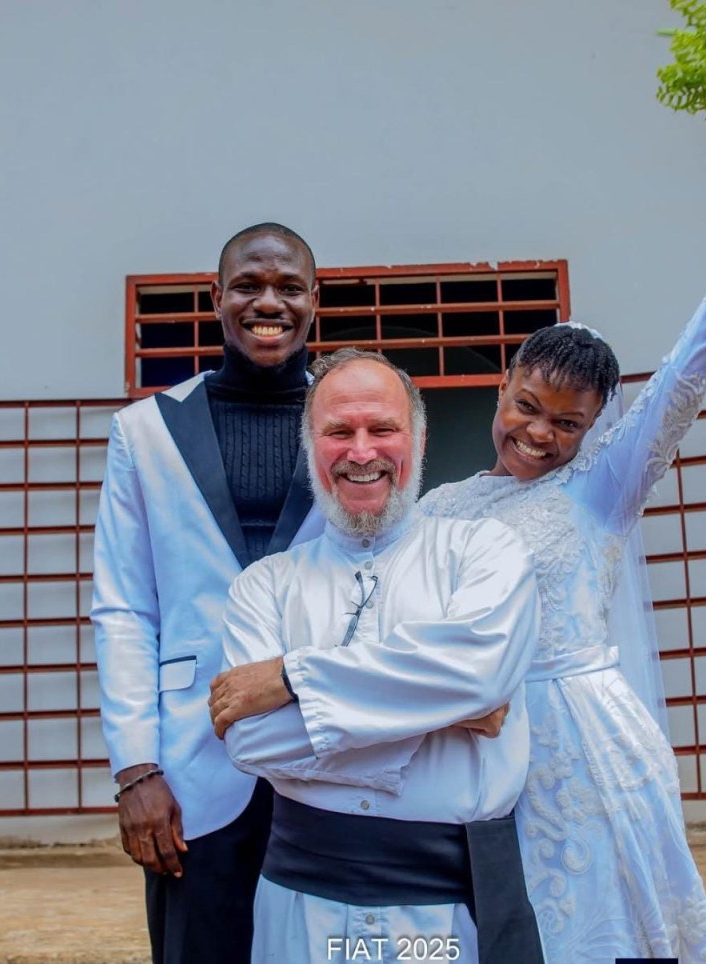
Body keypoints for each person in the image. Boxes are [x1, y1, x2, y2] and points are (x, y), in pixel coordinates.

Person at [419, 150, 706, 962]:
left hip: (586, 753)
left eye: (567, 424)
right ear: (502, 385)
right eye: (526, 406)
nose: (538, 434)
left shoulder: (600, 490)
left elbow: (694, 364)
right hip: (472, 749)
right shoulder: (439, 509)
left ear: (595, 429)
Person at [208, 349, 544, 964]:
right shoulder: (263, 585)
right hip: (301, 901)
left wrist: (291, 677)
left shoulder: (487, 551)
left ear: (419, 438)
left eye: (382, 429)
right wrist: (442, 708)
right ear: (310, 446)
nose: (361, 452)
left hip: (448, 905)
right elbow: (251, 741)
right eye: (339, 432)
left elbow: (480, 674)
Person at [91, 223, 326, 963]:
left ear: (314, 299)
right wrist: (136, 769)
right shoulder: (144, 433)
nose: (269, 303)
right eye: (249, 285)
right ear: (215, 297)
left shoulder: (353, 426)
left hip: (329, 756)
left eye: (289, 287)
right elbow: (125, 609)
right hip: (192, 769)